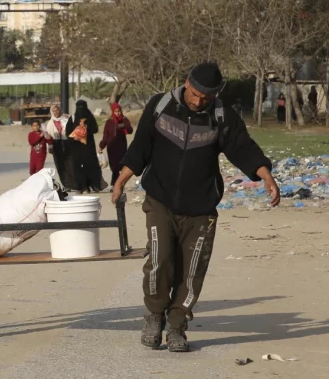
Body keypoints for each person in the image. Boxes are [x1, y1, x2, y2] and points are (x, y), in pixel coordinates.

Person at [112, 62, 280, 353]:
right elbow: (140, 147)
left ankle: (177, 326)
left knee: (192, 271)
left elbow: (242, 146)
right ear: (187, 83)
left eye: (206, 97)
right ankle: (154, 315)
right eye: (196, 94)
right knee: (160, 259)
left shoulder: (221, 116)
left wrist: (266, 175)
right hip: (160, 201)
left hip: (201, 208)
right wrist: (121, 180)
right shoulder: (161, 105)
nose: (199, 101)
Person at [65, 99, 104, 193]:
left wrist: (86, 128)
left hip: (88, 146)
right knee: (78, 167)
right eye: (79, 107)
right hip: (76, 147)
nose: (80, 109)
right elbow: (68, 132)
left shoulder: (90, 117)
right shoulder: (73, 118)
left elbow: (95, 129)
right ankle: (80, 187)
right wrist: (74, 137)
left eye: (82, 107)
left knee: (90, 165)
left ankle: (92, 185)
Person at [99, 103, 133, 188]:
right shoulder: (109, 121)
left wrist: (122, 125)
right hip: (111, 147)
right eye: (116, 111)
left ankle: (116, 184)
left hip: (121, 146)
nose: (118, 113)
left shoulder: (124, 120)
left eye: (119, 111)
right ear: (113, 112)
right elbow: (105, 135)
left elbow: (130, 130)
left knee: (121, 165)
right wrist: (101, 146)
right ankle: (115, 184)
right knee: (114, 167)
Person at [45, 105, 73, 189]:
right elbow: (48, 136)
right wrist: (49, 147)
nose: (56, 112)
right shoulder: (50, 123)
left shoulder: (66, 119)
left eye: (57, 110)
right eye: (54, 111)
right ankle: (66, 184)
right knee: (60, 165)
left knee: (70, 164)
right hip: (56, 144)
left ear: (60, 110)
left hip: (67, 143)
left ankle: (73, 183)